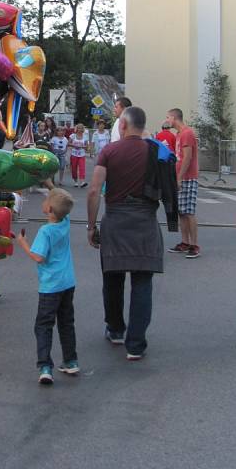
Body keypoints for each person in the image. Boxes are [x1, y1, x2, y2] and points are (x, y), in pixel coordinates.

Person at [87, 106, 175, 360]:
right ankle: (136, 344)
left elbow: (94, 190)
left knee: (112, 279)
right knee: (142, 281)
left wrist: (91, 226)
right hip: (145, 220)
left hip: (115, 219)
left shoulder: (110, 151)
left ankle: (115, 329)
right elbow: (169, 180)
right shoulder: (157, 150)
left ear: (123, 125)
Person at [17, 188, 78, 384]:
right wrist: (50, 185)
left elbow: (39, 257)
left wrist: (23, 243)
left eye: (46, 200)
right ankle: (70, 360)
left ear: (49, 209)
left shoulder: (46, 231)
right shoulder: (65, 222)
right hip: (67, 283)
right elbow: (59, 198)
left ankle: (45, 366)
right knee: (66, 322)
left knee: (43, 325)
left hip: (50, 286)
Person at [166, 108, 200, 258]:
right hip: (180, 176)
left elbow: (187, 158)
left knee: (189, 212)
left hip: (188, 177)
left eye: (168, 117)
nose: (167, 120)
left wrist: (179, 177)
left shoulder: (186, 133)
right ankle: (185, 242)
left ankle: (194, 245)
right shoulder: (179, 134)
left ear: (174, 118)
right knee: (181, 211)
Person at [68, 123, 89, 187]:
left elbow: (86, 147)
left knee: (82, 168)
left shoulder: (85, 137)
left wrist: (83, 147)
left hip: (82, 155)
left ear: (83, 129)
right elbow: (68, 143)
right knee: (74, 168)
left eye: (81, 128)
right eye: (79, 128)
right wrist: (75, 145)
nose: (80, 129)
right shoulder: (72, 136)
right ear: (76, 129)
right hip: (74, 154)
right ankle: (76, 181)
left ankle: (82, 182)